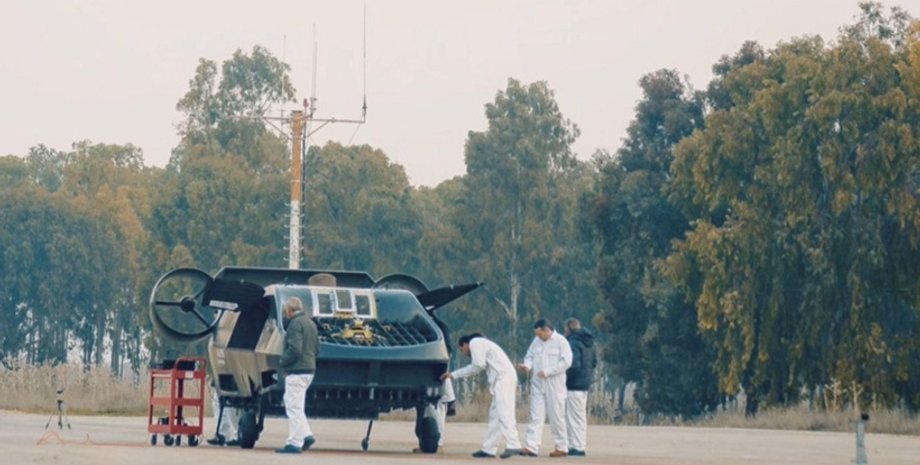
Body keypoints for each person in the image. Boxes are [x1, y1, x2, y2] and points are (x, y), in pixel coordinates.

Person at [441, 333, 524, 459]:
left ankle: (514, 444)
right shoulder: (482, 343)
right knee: (495, 415)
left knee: (504, 412)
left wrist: (454, 374)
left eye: (462, 349)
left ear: (465, 344)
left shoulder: (475, 342)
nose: (464, 353)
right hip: (501, 379)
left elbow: (478, 366)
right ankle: (489, 448)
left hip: (504, 379)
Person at [518, 319, 572, 457]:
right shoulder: (536, 342)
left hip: (554, 385)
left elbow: (566, 362)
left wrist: (548, 372)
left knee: (556, 416)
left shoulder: (561, 341)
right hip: (537, 384)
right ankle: (531, 446)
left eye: (540, 333)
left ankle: (562, 446)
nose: (538, 337)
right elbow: (529, 356)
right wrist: (527, 365)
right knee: (535, 415)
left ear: (547, 330)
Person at [275, 297, 320, 454]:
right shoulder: (310, 323)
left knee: (293, 407)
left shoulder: (295, 324)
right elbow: (317, 349)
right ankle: (306, 435)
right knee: (294, 403)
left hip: (297, 370)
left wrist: (282, 361)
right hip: (309, 369)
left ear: (289, 311)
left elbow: (295, 349)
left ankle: (294, 442)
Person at [563, 318, 596, 457]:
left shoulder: (573, 342)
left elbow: (574, 364)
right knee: (580, 416)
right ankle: (578, 444)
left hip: (574, 385)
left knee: (573, 417)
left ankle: (576, 446)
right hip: (585, 383)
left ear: (569, 328)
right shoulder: (590, 342)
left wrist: (565, 377)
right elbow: (594, 362)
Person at [206, 378, 239, 446]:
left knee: (230, 405)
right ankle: (222, 435)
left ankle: (238, 435)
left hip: (232, 378)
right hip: (223, 377)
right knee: (217, 403)